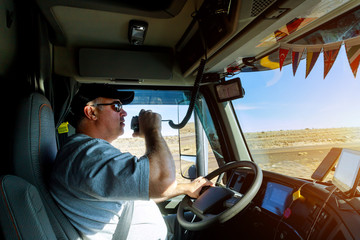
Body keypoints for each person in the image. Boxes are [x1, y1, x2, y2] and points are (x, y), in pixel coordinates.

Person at [50, 84, 212, 240]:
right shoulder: (88, 155)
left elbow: (134, 189)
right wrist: (152, 131)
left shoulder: (86, 153)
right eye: (117, 107)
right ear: (91, 112)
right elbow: (163, 181)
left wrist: (186, 188)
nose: (125, 113)